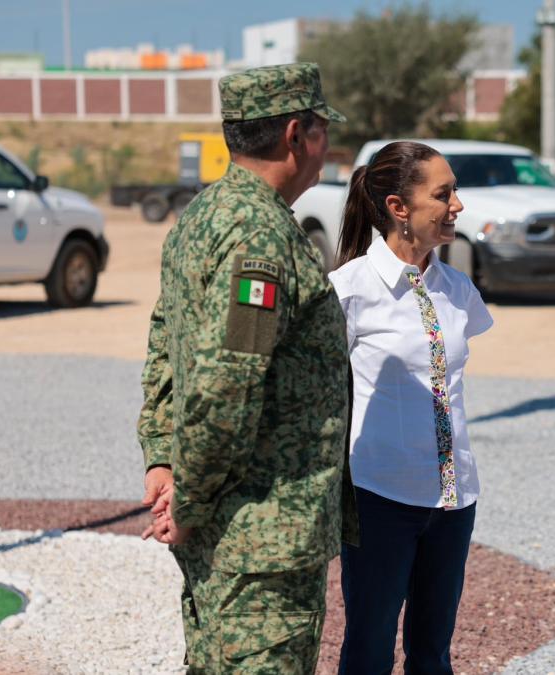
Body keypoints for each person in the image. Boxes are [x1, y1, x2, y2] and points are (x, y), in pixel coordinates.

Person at [136, 62, 355, 674]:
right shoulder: (260, 236)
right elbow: (224, 385)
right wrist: (192, 500)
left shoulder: (206, 215)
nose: (326, 147)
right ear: (294, 135)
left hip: (233, 528)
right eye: (320, 131)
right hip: (260, 537)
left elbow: (165, 341)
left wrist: (161, 455)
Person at [329, 141, 493, 675]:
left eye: (455, 192)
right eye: (443, 194)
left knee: (432, 653)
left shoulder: (458, 290)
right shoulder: (348, 292)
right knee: (370, 650)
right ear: (399, 208)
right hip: (380, 497)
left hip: (453, 499)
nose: (457, 206)